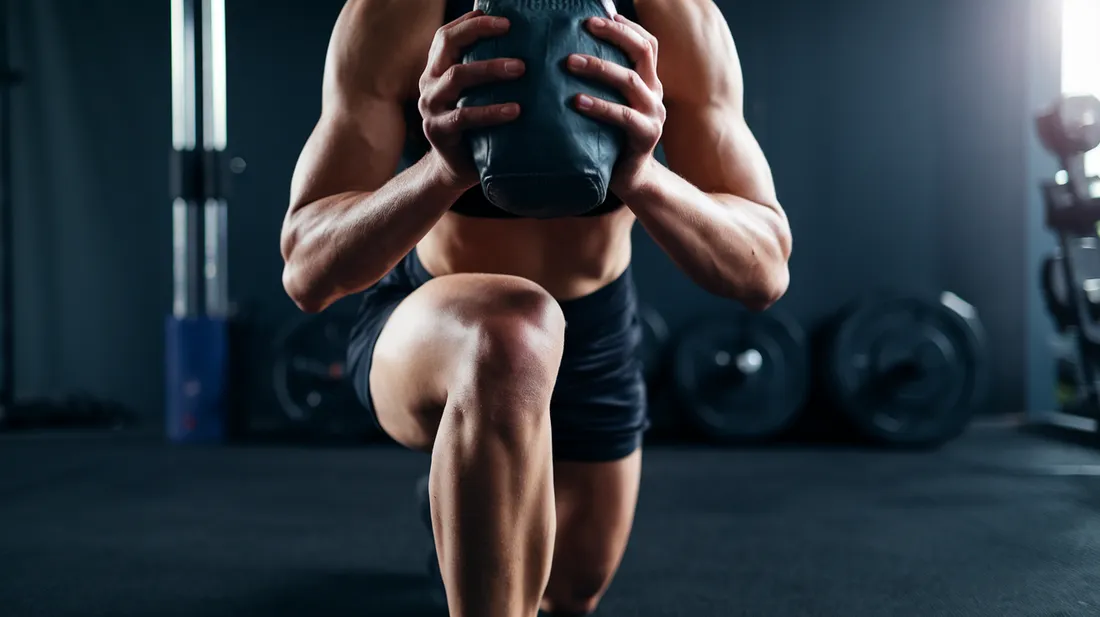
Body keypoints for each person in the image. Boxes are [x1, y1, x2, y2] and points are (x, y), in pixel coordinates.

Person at [280, 0, 792, 615]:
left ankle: (465, 485)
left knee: (572, 590)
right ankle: (473, 458)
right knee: (514, 332)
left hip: (594, 332)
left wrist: (641, 175)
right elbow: (308, 272)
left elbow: (762, 270)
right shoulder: (399, 14)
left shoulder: (671, 19)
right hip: (438, 327)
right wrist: (440, 172)